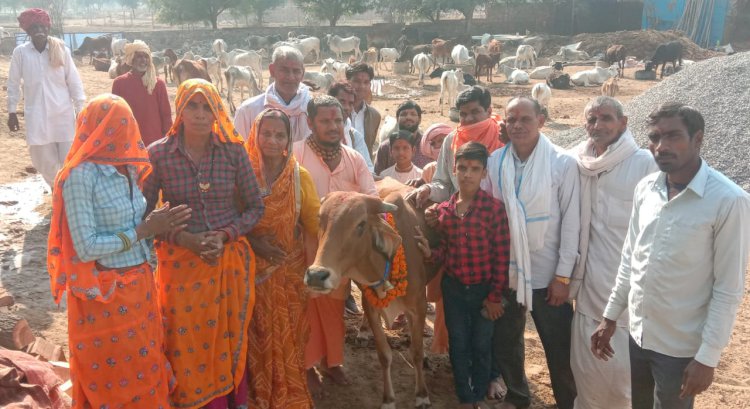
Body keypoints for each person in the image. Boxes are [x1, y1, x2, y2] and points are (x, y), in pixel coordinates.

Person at [591, 103, 750, 409]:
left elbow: (728, 288)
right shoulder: (646, 189)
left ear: (698, 139)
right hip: (638, 334)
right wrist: (610, 317)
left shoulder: (728, 201)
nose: (661, 146)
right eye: (654, 137)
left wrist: (707, 357)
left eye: (673, 136)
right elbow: (630, 260)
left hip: (680, 347)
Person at [47, 94, 191, 408]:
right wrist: (141, 231)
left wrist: (163, 226)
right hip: (105, 297)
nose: (126, 133)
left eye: (127, 125)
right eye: (117, 126)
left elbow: (141, 222)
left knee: (146, 365)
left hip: (139, 288)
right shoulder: (79, 177)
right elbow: (86, 248)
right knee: (115, 379)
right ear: (98, 131)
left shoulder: (128, 170)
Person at [143, 79, 265, 409]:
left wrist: (225, 234)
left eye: (207, 107)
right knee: (186, 341)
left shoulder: (233, 151)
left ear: (216, 113)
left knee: (227, 338)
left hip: (228, 262)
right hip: (180, 266)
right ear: (179, 111)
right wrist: (185, 239)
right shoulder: (157, 154)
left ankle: (233, 400)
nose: (199, 114)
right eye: (192, 106)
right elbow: (142, 220)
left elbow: (256, 207)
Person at [484, 97, 580, 409]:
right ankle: (518, 395)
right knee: (507, 342)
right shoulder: (495, 162)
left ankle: (568, 402)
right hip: (508, 272)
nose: (518, 125)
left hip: (548, 275)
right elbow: (487, 214)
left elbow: (571, 224)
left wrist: (563, 277)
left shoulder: (562, 163)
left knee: (559, 347)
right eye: (511, 120)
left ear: (541, 120)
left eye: (525, 119)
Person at [569, 96, 657, 409]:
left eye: (606, 118)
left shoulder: (646, 164)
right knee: (587, 373)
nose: (598, 126)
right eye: (592, 119)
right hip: (588, 289)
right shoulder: (579, 162)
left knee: (624, 382)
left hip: (630, 297)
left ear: (623, 123)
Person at [414, 142, 510, 409]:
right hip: (454, 289)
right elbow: (446, 251)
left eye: (474, 169)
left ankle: (478, 393)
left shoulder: (494, 209)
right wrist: (429, 253)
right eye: (463, 168)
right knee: (458, 343)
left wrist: (494, 297)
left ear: (484, 174)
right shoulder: (444, 210)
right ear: (453, 169)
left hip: (483, 290)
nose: (467, 174)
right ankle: (465, 397)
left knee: (482, 344)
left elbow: (501, 258)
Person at [292, 95, 377, 396]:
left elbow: (370, 195)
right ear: (311, 122)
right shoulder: (296, 155)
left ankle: (333, 362)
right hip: (301, 244)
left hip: (339, 253)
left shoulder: (353, 157)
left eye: (338, 120)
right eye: (325, 121)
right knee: (306, 306)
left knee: (334, 306)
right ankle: (307, 365)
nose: (333, 127)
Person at [244, 109, 321, 409]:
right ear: (255, 134)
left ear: (289, 139)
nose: (272, 141)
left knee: (289, 336)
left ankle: (286, 393)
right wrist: (254, 242)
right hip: (252, 272)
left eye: (280, 135)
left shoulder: (299, 176)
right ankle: (255, 394)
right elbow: (231, 220)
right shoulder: (244, 174)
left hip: (289, 272)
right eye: (266, 133)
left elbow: (314, 224)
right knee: (255, 336)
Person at [7, 8, 85, 189]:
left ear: (48, 28)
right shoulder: (21, 53)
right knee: (42, 160)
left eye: (42, 26)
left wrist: (80, 109)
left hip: (64, 115)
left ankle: (66, 194)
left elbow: (74, 81)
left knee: (69, 159)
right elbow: (13, 83)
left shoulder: (61, 49)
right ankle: (55, 189)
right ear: (27, 31)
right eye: (34, 27)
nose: (39, 31)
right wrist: (12, 111)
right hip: (37, 116)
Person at [407, 86, 504, 208]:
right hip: (459, 216)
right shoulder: (452, 140)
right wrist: (428, 189)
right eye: (463, 114)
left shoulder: (503, 138)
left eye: (475, 112)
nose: (468, 119)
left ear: (489, 112)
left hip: (498, 216)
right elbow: (443, 183)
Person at [234, 46, 311, 142]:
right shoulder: (247, 111)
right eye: (284, 70)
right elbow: (238, 153)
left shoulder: (312, 110)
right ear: (272, 70)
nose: (291, 77)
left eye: (296, 71)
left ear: (303, 73)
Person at [112, 40, 173, 146]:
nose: (143, 60)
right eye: (139, 56)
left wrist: (168, 140)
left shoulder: (158, 84)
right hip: (129, 142)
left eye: (146, 57)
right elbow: (115, 115)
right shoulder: (119, 83)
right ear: (132, 59)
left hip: (155, 142)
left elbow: (166, 115)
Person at [373, 100, 433, 173]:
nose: (408, 117)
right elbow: (377, 177)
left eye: (413, 114)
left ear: (420, 119)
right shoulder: (385, 147)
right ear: (397, 119)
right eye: (404, 114)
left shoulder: (428, 146)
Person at [328, 81, 375, 172]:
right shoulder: (316, 132)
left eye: (350, 103)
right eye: (342, 101)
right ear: (330, 99)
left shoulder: (354, 136)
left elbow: (367, 169)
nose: (346, 107)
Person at [346, 62, 381, 157]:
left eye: (366, 82)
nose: (362, 86)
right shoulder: (336, 112)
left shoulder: (375, 116)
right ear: (348, 82)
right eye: (357, 81)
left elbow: (369, 146)